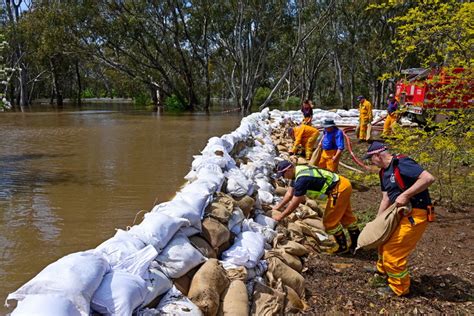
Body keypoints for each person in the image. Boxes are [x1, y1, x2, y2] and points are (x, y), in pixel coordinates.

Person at [363, 142, 435, 297]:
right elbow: (386, 198)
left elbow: (428, 178)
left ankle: (399, 288)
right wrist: (377, 222)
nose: (370, 163)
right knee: (383, 241)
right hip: (398, 213)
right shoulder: (383, 173)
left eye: (370, 159)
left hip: (415, 214)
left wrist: (406, 194)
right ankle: (383, 271)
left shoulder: (402, 164)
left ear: (377, 155)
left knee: (393, 252)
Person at [272, 160, 360, 254]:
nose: (283, 177)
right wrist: (277, 207)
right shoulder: (298, 172)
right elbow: (289, 194)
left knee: (330, 222)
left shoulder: (302, 179)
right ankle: (357, 244)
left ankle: (343, 248)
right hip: (343, 184)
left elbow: (295, 202)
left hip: (339, 190)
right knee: (346, 217)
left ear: (289, 169)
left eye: (283, 174)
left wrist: (281, 216)